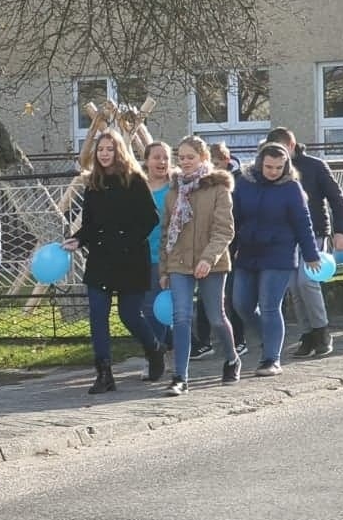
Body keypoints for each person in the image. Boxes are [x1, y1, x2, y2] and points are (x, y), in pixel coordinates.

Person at [62, 130, 164, 392]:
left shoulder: (134, 180)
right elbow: (90, 225)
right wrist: (78, 240)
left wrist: (126, 240)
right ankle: (104, 373)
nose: (105, 154)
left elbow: (150, 218)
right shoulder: (93, 184)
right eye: (101, 150)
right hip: (101, 259)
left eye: (110, 149)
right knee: (97, 315)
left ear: (119, 151)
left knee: (129, 315)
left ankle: (154, 350)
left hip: (130, 259)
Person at [230, 142, 322, 378]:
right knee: (241, 304)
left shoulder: (291, 188)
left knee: (270, 305)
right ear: (260, 163)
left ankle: (271, 358)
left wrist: (311, 254)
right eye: (269, 166)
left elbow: (303, 222)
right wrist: (230, 249)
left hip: (279, 253)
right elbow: (233, 218)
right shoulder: (244, 183)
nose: (273, 171)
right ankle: (270, 337)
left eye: (279, 167)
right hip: (248, 251)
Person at [158, 136, 240, 396]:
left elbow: (225, 230)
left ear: (203, 158)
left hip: (211, 264)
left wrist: (208, 258)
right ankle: (179, 377)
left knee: (216, 317)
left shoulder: (218, 189)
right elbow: (166, 233)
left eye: (190, 157)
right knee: (181, 317)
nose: (185, 162)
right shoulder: (174, 191)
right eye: (180, 157)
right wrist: (164, 269)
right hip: (179, 262)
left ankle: (232, 358)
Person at [265, 128, 343, 359]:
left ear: (290, 146)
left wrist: (341, 231)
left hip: (315, 232)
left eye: (281, 150)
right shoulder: (274, 171)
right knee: (294, 286)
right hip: (286, 238)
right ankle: (307, 334)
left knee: (307, 281)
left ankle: (322, 331)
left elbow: (336, 197)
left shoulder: (314, 166)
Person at [194, 141, 247, 358]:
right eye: (210, 163)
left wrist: (239, 245)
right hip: (203, 248)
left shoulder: (239, 182)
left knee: (231, 298)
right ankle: (204, 341)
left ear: (226, 161)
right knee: (204, 300)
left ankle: (239, 341)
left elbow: (239, 218)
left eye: (217, 163)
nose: (214, 167)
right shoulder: (201, 183)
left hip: (230, 248)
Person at [140, 141, 175, 363]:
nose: (161, 162)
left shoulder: (175, 189)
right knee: (143, 309)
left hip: (163, 257)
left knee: (155, 308)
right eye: (156, 157)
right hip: (138, 257)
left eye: (165, 158)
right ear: (147, 161)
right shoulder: (137, 187)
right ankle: (162, 346)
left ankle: (155, 355)